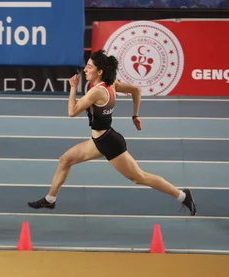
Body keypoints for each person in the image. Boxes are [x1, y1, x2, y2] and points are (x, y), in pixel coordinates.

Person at [27, 50, 197, 216]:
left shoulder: (96, 92)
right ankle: (50, 199)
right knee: (65, 160)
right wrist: (135, 115)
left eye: (89, 67)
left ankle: (182, 195)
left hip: (109, 143)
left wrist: (73, 88)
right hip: (99, 141)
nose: (85, 70)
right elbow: (136, 90)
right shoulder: (111, 83)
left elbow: (72, 111)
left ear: (100, 71)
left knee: (139, 177)